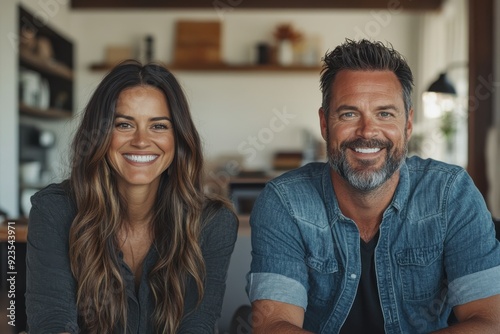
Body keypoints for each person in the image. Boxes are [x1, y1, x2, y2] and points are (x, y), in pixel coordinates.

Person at [246, 39, 500, 333]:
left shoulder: (450, 193)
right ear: (325, 124)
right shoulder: (285, 202)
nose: (367, 131)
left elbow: (490, 321)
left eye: (385, 114)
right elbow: (273, 325)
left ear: (407, 125)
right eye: (349, 114)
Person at [26, 60, 239, 334]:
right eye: (124, 125)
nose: (141, 141)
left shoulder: (212, 223)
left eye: (159, 126)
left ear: (179, 138)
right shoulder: (55, 210)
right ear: (100, 134)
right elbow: (53, 323)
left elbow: (197, 324)